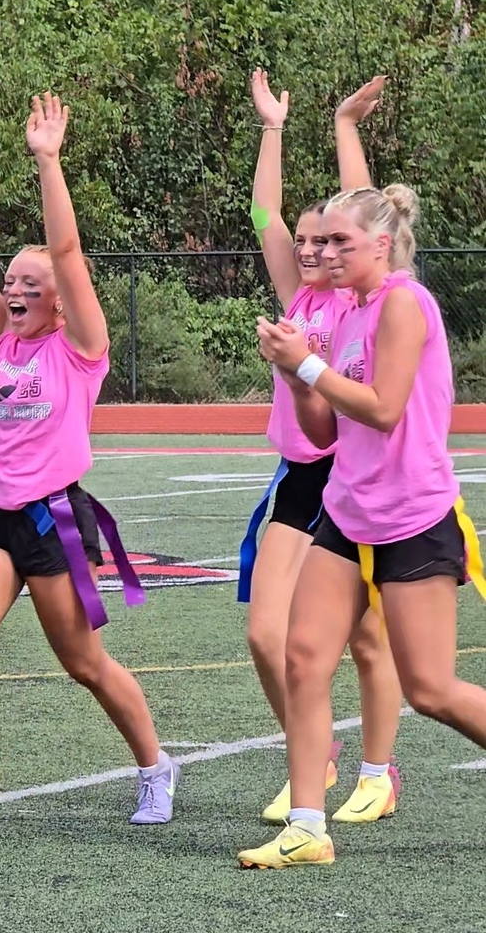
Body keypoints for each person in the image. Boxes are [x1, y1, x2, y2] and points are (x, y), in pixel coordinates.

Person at [0, 94, 179, 846]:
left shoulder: (79, 347)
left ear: (59, 299)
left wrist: (48, 162)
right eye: (11, 282)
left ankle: (155, 766)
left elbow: (68, 253)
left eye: (31, 283)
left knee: (84, 662)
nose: (14, 291)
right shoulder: (4, 339)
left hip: (55, 520)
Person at [238, 179, 486, 869]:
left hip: (412, 515)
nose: (324, 252)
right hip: (348, 513)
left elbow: (383, 407)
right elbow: (324, 432)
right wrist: (295, 376)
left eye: (338, 241)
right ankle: (306, 828)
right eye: (319, 241)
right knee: (302, 657)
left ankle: (355, 790)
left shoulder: (405, 303)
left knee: (430, 690)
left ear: (382, 244)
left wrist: (307, 364)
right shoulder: (348, 310)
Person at [239, 70, 402, 825]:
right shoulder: (297, 295)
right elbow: (261, 211)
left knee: (367, 641)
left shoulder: (355, 296)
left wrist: (344, 127)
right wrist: (272, 127)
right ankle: (317, 752)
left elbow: (362, 210)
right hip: (302, 477)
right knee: (263, 634)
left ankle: (377, 770)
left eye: (323, 240)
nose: (308, 248)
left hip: (356, 474)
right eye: (302, 240)